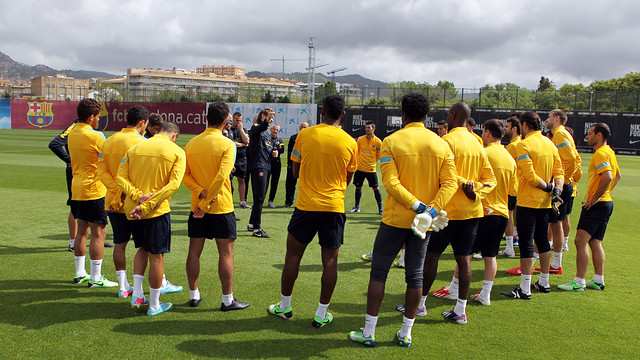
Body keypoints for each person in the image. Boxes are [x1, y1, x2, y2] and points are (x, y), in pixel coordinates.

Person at [348, 93, 456, 348]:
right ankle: (406, 332)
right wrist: (430, 212)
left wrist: (419, 207)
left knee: (379, 272)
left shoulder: (392, 141)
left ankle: (369, 331)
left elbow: (391, 183)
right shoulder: (441, 144)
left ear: (404, 115)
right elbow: (450, 183)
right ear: (426, 116)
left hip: (396, 218)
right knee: (415, 276)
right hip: (423, 223)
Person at [267, 95, 357, 328]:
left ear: (323, 111)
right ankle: (321, 314)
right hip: (334, 207)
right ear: (343, 115)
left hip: (306, 206)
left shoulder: (304, 135)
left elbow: (295, 172)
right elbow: (348, 177)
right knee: (330, 262)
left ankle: (284, 306)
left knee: (293, 255)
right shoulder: (350, 141)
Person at [417, 102, 496, 325]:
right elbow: (491, 181)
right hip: (472, 211)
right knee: (464, 259)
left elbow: (442, 176)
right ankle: (460, 310)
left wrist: (464, 184)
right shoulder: (479, 144)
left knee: (431, 256)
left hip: (447, 211)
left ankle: (420, 304)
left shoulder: (446, 141)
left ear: (452, 115)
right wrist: (475, 192)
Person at [97, 105, 183, 298]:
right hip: (141, 203)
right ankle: (157, 290)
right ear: (143, 122)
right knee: (152, 250)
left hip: (118, 201)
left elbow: (101, 170)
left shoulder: (109, 140)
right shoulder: (141, 142)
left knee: (121, 243)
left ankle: (124, 287)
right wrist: (139, 198)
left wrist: (116, 192)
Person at [183, 102, 250, 311]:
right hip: (220, 206)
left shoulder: (192, 143)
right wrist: (206, 200)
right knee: (226, 253)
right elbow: (222, 177)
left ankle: (194, 295)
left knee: (194, 251)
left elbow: (185, 176)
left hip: (198, 207)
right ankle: (227, 300)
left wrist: (200, 194)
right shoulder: (227, 143)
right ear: (225, 120)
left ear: (206, 118)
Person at [116, 121, 186, 316]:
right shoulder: (177, 151)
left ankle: (137, 294)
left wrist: (138, 197)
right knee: (156, 256)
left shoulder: (135, 147)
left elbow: (120, 179)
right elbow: (173, 185)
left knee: (142, 249)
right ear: (174, 135)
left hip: (132, 209)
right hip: (155, 210)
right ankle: (154, 305)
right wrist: (147, 203)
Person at [501, 111, 563, 300]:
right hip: (545, 202)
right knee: (542, 240)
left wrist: (549, 187)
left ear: (525, 125)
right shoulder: (550, 144)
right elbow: (560, 171)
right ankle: (544, 282)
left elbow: (530, 176)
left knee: (527, 242)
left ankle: (525, 288)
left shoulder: (524, 145)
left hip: (528, 200)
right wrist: (556, 190)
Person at [558, 123, 620, 292]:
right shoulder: (610, 153)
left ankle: (579, 282)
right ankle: (598, 280)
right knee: (595, 241)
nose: (587, 136)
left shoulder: (600, 154)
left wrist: (595, 198)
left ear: (599, 135)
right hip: (606, 203)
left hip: (598, 204)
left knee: (580, 241)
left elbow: (607, 176)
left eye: (590, 133)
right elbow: (617, 176)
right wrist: (604, 194)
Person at [67, 99, 117, 287]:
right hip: (94, 188)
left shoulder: (72, 133)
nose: (98, 120)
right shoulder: (96, 135)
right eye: (97, 117)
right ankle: (96, 277)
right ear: (90, 117)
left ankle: (80, 273)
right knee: (98, 233)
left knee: (81, 231)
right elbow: (109, 157)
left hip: (77, 186)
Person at [467, 119, 516, 305]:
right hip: (502, 213)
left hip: (483, 211)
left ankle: (455, 289)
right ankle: (485, 294)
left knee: (466, 254)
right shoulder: (509, 158)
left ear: (487, 132)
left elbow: (472, 181)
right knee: (490, 255)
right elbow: (513, 190)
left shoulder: (483, 153)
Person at [539, 109, 581, 275]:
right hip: (562, 182)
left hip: (561, 184)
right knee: (556, 224)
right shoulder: (561, 134)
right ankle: (555, 263)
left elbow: (571, 158)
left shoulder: (560, 134)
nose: (546, 120)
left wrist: (563, 179)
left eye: (549, 117)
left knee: (555, 224)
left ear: (557, 118)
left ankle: (555, 264)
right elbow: (576, 158)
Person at [247, 108, 275, 238]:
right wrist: (265, 121)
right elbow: (259, 128)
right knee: (259, 198)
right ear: (262, 117)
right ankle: (257, 229)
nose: (270, 120)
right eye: (268, 117)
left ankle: (252, 224)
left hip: (266, 167)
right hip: (258, 167)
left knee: (260, 198)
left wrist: (274, 152)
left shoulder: (266, 134)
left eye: (272, 118)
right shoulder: (256, 128)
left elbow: (268, 148)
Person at [348, 121, 383, 215]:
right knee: (358, 187)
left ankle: (380, 209)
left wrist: (371, 162)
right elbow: (356, 152)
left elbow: (379, 155)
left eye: (369, 128)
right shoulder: (360, 140)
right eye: (366, 127)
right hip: (360, 169)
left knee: (376, 188)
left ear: (373, 129)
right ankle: (356, 207)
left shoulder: (378, 142)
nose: (367, 129)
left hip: (371, 169)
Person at [499, 115, 521, 257]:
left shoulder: (513, 146)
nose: (505, 129)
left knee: (506, 216)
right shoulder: (519, 143)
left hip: (511, 186)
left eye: (507, 126)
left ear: (514, 128)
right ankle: (512, 244)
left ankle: (509, 248)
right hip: (517, 186)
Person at [228, 111, 251, 209]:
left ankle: (242, 201)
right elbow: (231, 143)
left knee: (242, 180)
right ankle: (229, 202)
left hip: (242, 159)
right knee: (229, 180)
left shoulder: (243, 129)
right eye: (237, 120)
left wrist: (241, 130)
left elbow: (247, 141)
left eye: (240, 120)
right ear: (232, 119)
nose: (238, 122)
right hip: (231, 159)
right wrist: (242, 144)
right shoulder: (229, 129)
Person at [284, 121, 309, 208]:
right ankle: (288, 202)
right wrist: (289, 163)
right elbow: (290, 152)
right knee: (290, 184)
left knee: (306, 185)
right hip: (294, 163)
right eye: (302, 126)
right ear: (299, 127)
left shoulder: (310, 138)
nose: (303, 128)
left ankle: (305, 203)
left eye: (305, 127)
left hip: (305, 165)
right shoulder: (293, 137)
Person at [267, 124, 285, 208]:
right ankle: (261, 199)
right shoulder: (266, 139)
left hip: (277, 164)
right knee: (265, 183)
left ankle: (271, 201)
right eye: (274, 129)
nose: (275, 131)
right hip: (267, 163)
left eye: (277, 130)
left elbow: (282, 149)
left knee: (274, 183)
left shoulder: (279, 140)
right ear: (270, 129)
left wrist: (277, 151)